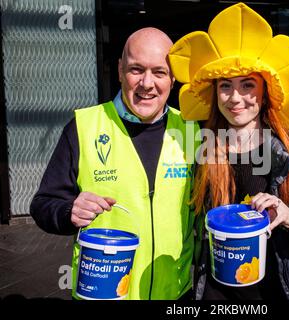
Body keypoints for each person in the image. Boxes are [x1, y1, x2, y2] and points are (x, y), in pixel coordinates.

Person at [168, 3, 289, 300]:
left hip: (284, 290)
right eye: (225, 86)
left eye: (247, 85)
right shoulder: (203, 151)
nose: (235, 98)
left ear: (264, 92)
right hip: (221, 291)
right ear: (215, 94)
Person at [30, 27, 200, 300]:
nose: (147, 83)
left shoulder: (192, 132)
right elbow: (42, 204)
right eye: (136, 69)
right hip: (104, 294)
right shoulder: (83, 127)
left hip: (177, 293)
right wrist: (68, 210)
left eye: (159, 72)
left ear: (172, 78)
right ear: (120, 70)